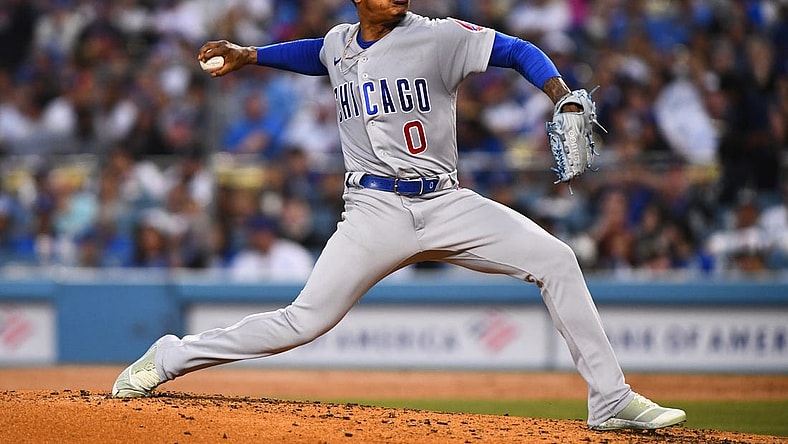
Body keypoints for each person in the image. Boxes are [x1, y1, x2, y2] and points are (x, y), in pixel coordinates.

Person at [112, 0, 686, 432]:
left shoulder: (436, 36)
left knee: (557, 260)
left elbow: (515, 50)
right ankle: (169, 356)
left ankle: (609, 400)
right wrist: (251, 55)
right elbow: (316, 53)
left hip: (445, 200)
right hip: (373, 210)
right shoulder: (340, 43)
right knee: (304, 321)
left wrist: (558, 91)